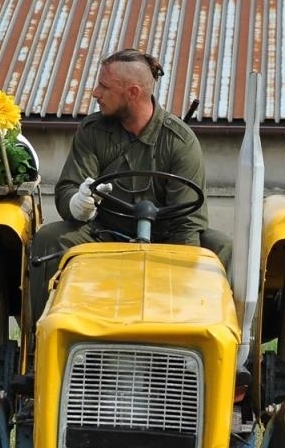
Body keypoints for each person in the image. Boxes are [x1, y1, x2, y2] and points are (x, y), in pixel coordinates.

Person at [29, 49, 230, 321]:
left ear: (132, 93)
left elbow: (187, 224)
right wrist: (78, 204)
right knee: (51, 237)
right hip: (103, 235)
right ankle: (44, 335)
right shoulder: (92, 131)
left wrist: (183, 281)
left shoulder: (179, 142)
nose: (95, 93)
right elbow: (68, 188)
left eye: (104, 86)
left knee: (220, 247)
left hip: (165, 241)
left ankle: (204, 335)